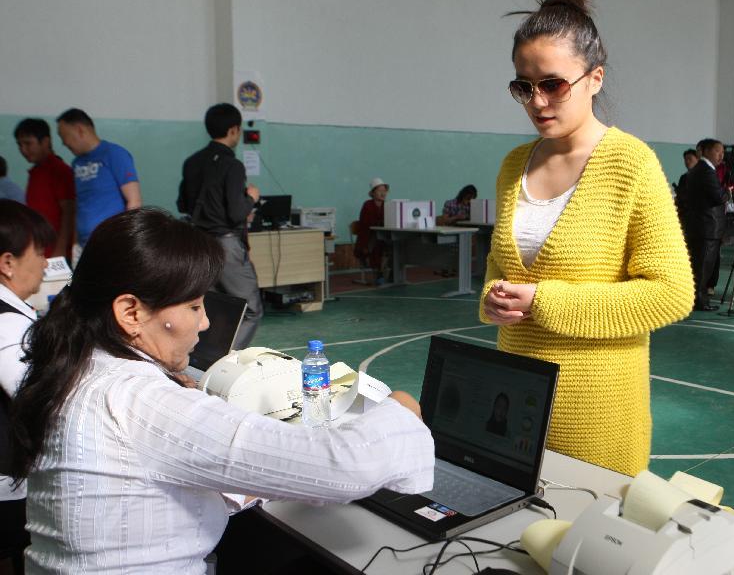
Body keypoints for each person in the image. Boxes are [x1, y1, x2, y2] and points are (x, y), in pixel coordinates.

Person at [7, 208, 434, 573]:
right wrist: (398, 409)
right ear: (130, 312)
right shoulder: (138, 400)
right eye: (193, 306)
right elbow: (344, 467)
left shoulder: (79, 369)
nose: (206, 322)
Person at [480, 0, 693, 477]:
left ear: (594, 78)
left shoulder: (629, 163)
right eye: (523, 86)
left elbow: (672, 295)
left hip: (595, 418)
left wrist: (542, 302)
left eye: (553, 84)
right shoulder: (514, 164)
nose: (537, 101)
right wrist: (493, 295)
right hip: (515, 404)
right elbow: (504, 262)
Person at [178, 103, 263, 350]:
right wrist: (251, 198)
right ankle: (223, 364)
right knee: (250, 310)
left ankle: (201, 362)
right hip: (224, 244)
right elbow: (236, 213)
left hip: (197, 243)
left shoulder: (191, 162)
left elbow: (182, 203)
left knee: (211, 308)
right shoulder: (232, 165)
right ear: (234, 130)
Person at [0, 201, 54, 575]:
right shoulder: (7, 329)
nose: (46, 263)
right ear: (7, 263)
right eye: (39, 252)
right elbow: (45, 403)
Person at [56, 108, 142, 249]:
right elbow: (80, 204)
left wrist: (126, 241)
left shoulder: (115, 154)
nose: (63, 143)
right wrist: (75, 244)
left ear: (80, 130)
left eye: (63, 136)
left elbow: (134, 201)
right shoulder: (77, 163)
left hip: (112, 243)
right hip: (83, 245)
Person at [14, 118, 76, 262]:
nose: (23, 150)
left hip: (58, 255)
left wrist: (60, 251)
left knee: (64, 285)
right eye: (20, 145)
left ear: (46, 141)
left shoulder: (60, 171)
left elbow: (69, 212)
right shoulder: (35, 172)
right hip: (40, 251)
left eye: (28, 143)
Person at [682, 138, 729, 310]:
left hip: (701, 226)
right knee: (703, 267)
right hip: (707, 227)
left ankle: (698, 299)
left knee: (700, 265)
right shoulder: (705, 171)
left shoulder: (698, 170)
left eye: (722, 152)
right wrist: (727, 193)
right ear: (706, 151)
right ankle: (699, 300)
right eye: (718, 151)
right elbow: (717, 197)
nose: (721, 155)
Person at [354, 177, 390, 285]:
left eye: (384, 191)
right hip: (368, 237)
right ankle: (379, 274)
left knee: (393, 245)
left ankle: (392, 274)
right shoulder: (367, 205)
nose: (383, 193)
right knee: (378, 244)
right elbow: (365, 224)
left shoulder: (387, 205)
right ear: (373, 193)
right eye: (380, 191)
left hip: (383, 235)